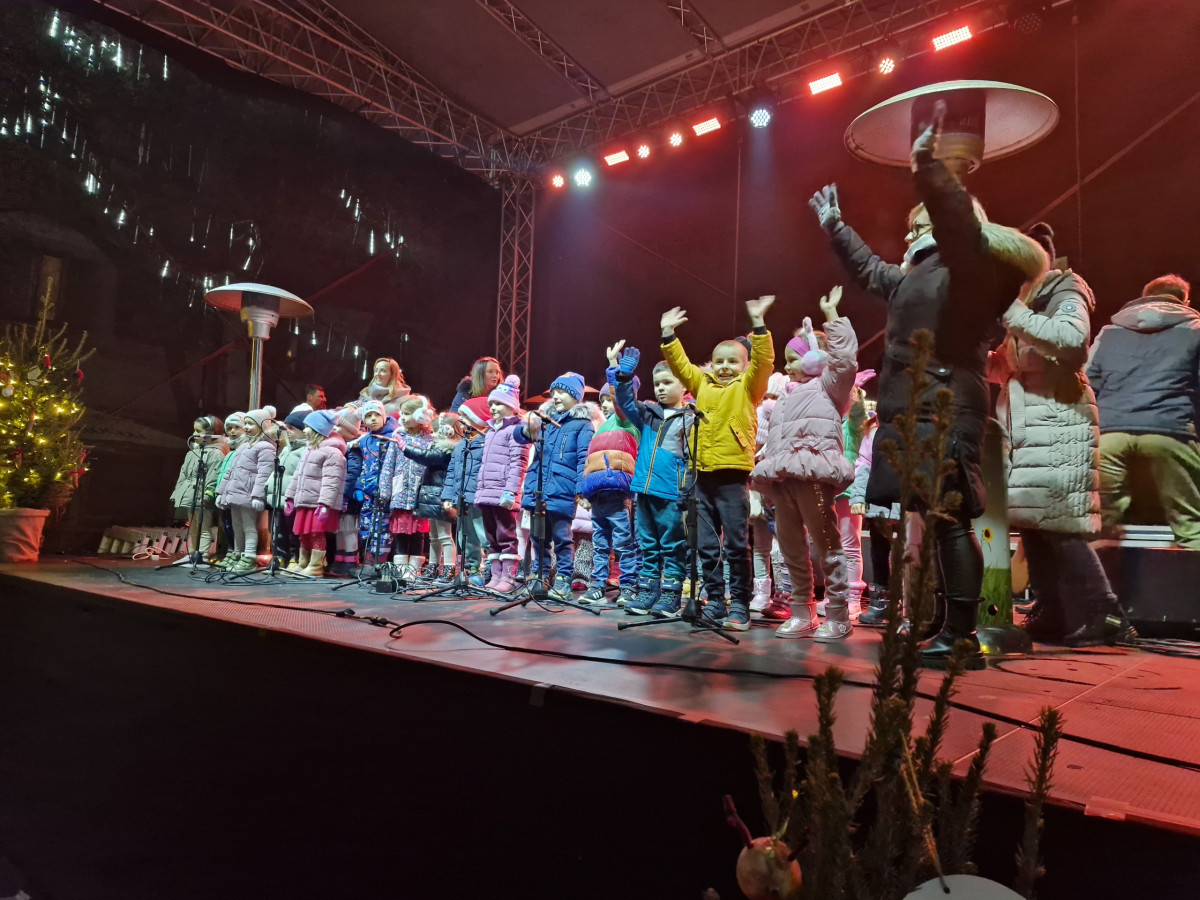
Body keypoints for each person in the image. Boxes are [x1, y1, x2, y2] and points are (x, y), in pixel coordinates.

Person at [810, 103, 1047, 666]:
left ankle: (960, 636)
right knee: (937, 520)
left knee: (948, 520)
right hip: (916, 408)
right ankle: (947, 626)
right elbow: (870, 270)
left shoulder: (969, 268)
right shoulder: (918, 275)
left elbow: (959, 224)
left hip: (944, 405)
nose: (911, 232)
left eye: (922, 223)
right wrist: (837, 228)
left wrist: (930, 169)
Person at [989, 223, 1136, 646]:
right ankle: (1053, 610)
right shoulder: (1025, 302)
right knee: (1034, 523)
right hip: (1030, 424)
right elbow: (1019, 365)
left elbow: (1072, 342)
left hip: (1058, 421)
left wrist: (1012, 313)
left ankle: (1107, 614)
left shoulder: (1063, 290)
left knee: (1060, 523)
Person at [660, 295, 775, 630]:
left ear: (744, 366)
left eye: (732, 362)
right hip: (701, 476)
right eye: (719, 361)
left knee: (736, 544)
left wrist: (759, 326)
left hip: (732, 477)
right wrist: (668, 335)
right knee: (707, 546)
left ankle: (739, 604)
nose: (724, 367)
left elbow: (764, 362)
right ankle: (715, 601)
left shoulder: (749, 387)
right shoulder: (702, 385)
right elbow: (681, 366)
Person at [752, 289, 859, 640]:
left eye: (793, 359)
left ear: (815, 360)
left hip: (813, 477)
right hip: (784, 479)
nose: (787, 367)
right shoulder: (785, 397)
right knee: (791, 547)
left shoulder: (829, 386)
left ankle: (838, 613)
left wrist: (832, 315)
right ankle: (803, 611)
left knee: (826, 544)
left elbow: (845, 361)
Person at [1086, 274, 1200, 549]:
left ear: (1144, 296)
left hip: (1110, 434)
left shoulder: (1109, 332)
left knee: (1100, 528)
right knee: (1191, 526)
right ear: (1185, 301)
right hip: (1169, 431)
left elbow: (1087, 383)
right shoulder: (1196, 329)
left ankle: (1099, 576)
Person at [614, 353, 693, 618]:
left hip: (670, 493)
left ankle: (671, 595)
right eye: (657, 383)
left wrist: (686, 492)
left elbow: (691, 459)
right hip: (644, 491)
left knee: (672, 545)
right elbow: (625, 402)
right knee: (647, 545)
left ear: (684, 385)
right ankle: (649, 592)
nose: (660, 388)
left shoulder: (689, 418)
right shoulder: (647, 413)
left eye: (667, 382)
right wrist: (624, 377)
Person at [514, 372, 598, 598]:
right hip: (539, 488)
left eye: (562, 392)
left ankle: (563, 579)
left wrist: (581, 490)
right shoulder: (545, 421)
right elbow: (519, 436)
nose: (556, 396)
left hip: (562, 489)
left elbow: (584, 459)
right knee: (538, 537)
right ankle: (540, 577)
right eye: (554, 392)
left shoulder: (583, 425)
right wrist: (527, 428)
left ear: (575, 396)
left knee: (562, 538)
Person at [577, 343, 642, 606]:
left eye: (608, 399)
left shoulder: (627, 419)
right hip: (598, 493)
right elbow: (590, 460)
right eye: (602, 400)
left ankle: (628, 586)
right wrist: (584, 491)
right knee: (600, 543)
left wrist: (615, 366)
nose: (605, 404)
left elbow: (620, 400)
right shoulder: (601, 427)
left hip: (617, 491)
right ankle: (597, 586)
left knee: (624, 541)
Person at [473, 375, 531, 592]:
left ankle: (508, 577)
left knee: (506, 535)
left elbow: (518, 463)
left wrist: (511, 492)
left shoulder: (517, 430)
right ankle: (496, 576)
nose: (493, 408)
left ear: (511, 406)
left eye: (498, 404)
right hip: (487, 491)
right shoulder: (491, 431)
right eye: (492, 404)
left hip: (503, 493)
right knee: (492, 536)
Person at [285, 409, 348, 577]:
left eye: (308, 427)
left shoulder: (333, 453)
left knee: (316, 534)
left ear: (318, 429)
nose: (304, 430)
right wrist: (290, 497)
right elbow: (297, 476)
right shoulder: (309, 450)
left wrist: (325, 503)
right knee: (304, 534)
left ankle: (315, 565)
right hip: (305, 500)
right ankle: (304, 562)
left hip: (318, 503)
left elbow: (331, 481)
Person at [215, 406, 278, 573]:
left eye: (251, 424)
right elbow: (230, 472)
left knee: (249, 526)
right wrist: (221, 492)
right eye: (246, 423)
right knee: (237, 526)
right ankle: (237, 553)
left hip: (248, 494)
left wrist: (258, 496)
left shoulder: (266, 447)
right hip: (235, 493)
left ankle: (249, 556)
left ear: (262, 425)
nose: (247, 427)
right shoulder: (243, 446)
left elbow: (264, 474)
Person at [379, 396, 435, 575]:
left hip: (420, 495)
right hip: (401, 493)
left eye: (407, 414)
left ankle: (413, 571)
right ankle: (400, 569)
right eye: (402, 413)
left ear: (420, 415)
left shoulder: (431, 439)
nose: (402, 417)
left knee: (418, 534)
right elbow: (389, 465)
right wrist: (385, 490)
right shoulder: (398, 437)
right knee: (401, 533)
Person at [404, 411, 462, 579]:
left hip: (441, 497)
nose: (433, 434)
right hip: (432, 496)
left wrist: (405, 448)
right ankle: (433, 565)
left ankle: (449, 567)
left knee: (444, 535)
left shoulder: (447, 450)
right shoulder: (439, 447)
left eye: (436, 430)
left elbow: (427, 457)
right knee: (434, 536)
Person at [168, 415, 228, 564]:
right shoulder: (193, 453)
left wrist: (208, 492)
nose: (194, 434)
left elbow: (214, 475)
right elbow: (184, 473)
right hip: (191, 493)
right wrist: (179, 491)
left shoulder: (215, 453)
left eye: (199, 431)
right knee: (193, 526)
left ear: (211, 434)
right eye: (194, 430)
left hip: (203, 494)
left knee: (204, 526)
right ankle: (192, 553)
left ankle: (203, 554)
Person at [447, 396, 492, 581]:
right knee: (465, 537)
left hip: (479, 499)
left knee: (485, 535)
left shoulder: (488, 442)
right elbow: (452, 471)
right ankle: (472, 569)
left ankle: (492, 568)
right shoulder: (461, 444)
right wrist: (448, 495)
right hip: (462, 499)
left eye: (465, 416)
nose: (461, 420)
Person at [353, 400, 398, 565]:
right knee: (366, 526)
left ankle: (379, 563)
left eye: (377, 415)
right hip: (368, 493)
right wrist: (359, 486)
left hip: (385, 492)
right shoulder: (365, 440)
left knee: (383, 528)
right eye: (368, 416)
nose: (372, 419)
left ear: (384, 416)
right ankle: (368, 562)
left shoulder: (394, 437)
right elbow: (365, 465)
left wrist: (388, 488)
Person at [271, 407, 309, 571]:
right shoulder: (286, 448)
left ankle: (295, 557)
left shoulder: (305, 450)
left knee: (294, 530)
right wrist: (269, 487)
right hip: (279, 495)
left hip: (292, 498)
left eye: (292, 428)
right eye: (286, 428)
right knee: (279, 530)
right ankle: (280, 556)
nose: (288, 431)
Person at [329, 407, 364, 577]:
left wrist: (346, 494)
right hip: (340, 495)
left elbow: (353, 473)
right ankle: (340, 558)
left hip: (349, 497)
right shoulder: (343, 447)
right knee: (340, 528)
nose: (334, 429)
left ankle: (350, 560)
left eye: (338, 426)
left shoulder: (354, 449)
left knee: (349, 528)